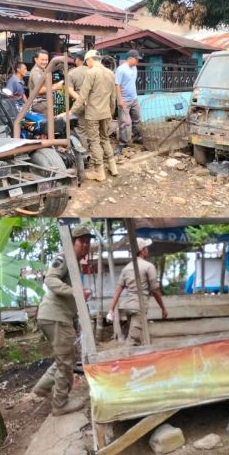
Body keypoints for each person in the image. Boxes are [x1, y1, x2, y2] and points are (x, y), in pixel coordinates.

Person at [32, 226, 93, 416]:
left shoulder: (74, 264)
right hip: (54, 315)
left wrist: (74, 325)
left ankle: (42, 388)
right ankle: (60, 403)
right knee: (67, 360)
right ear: (72, 243)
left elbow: (71, 302)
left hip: (58, 316)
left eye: (87, 242)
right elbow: (50, 279)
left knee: (67, 356)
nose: (85, 245)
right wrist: (75, 292)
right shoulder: (65, 257)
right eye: (81, 242)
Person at [108, 238, 168, 346]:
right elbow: (155, 290)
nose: (147, 250)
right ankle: (125, 361)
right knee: (132, 342)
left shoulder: (126, 268)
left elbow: (118, 290)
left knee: (138, 339)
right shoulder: (148, 266)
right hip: (139, 308)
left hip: (129, 307)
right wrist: (163, 308)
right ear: (142, 250)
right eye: (146, 248)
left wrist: (111, 309)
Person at [71, 50, 117, 182]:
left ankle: (100, 172)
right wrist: (111, 113)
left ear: (90, 60)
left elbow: (83, 96)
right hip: (106, 113)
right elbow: (113, 97)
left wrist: (73, 111)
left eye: (87, 62)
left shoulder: (91, 73)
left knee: (95, 141)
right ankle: (113, 167)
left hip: (92, 114)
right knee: (105, 138)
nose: (87, 64)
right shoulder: (110, 73)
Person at [115, 49, 142, 149]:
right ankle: (123, 142)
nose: (137, 61)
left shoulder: (134, 68)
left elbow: (132, 83)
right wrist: (120, 100)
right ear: (130, 58)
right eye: (136, 59)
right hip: (124, 100)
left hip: (134, 98)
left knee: (137, 119)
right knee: (124, 123)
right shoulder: (121, 69)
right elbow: (117, 86)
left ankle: (137, 137)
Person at [65, 51, 89, 150]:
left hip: (81, 105)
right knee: (93, 128)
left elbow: (69, 91)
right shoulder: (93, 71)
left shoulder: (72, 73)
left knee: (81, 130)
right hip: (96, 104)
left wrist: (81, 100)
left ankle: (84, 153)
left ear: (78, 60)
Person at [27, 49, 63, 114]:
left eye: (46, 60)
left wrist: (57, 85)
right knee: (56, 115)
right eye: (42, 60)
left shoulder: (43, 70)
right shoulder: (36, 72)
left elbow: (47, 86)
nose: (44, 62)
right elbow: (40, 90)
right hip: (39, 103)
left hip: (45, 100)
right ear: (36, 60)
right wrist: (56, 87)